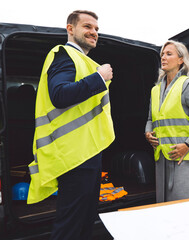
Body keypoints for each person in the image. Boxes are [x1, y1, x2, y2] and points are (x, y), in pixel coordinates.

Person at [27, 10, 115, 240]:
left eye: (96, 29)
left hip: (87, 152)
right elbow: (60, 95)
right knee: (70, 226)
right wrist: (99, 78)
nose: (93, 32)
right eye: (87, 27)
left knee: (85, 222)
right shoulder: (64, 55)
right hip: (74, 155)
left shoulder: (84, 61)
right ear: (70, 29)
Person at [145, 40, 189, 203]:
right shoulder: (155, 90)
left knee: (184, 211)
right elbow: (151, 119)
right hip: (162, 158)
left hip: (184, 159)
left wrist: (188, 145)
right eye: (162, 54)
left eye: (169, 54)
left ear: (180, 60)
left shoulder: (187, 86)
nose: (163, 57)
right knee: (164, 210)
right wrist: (148, 132)